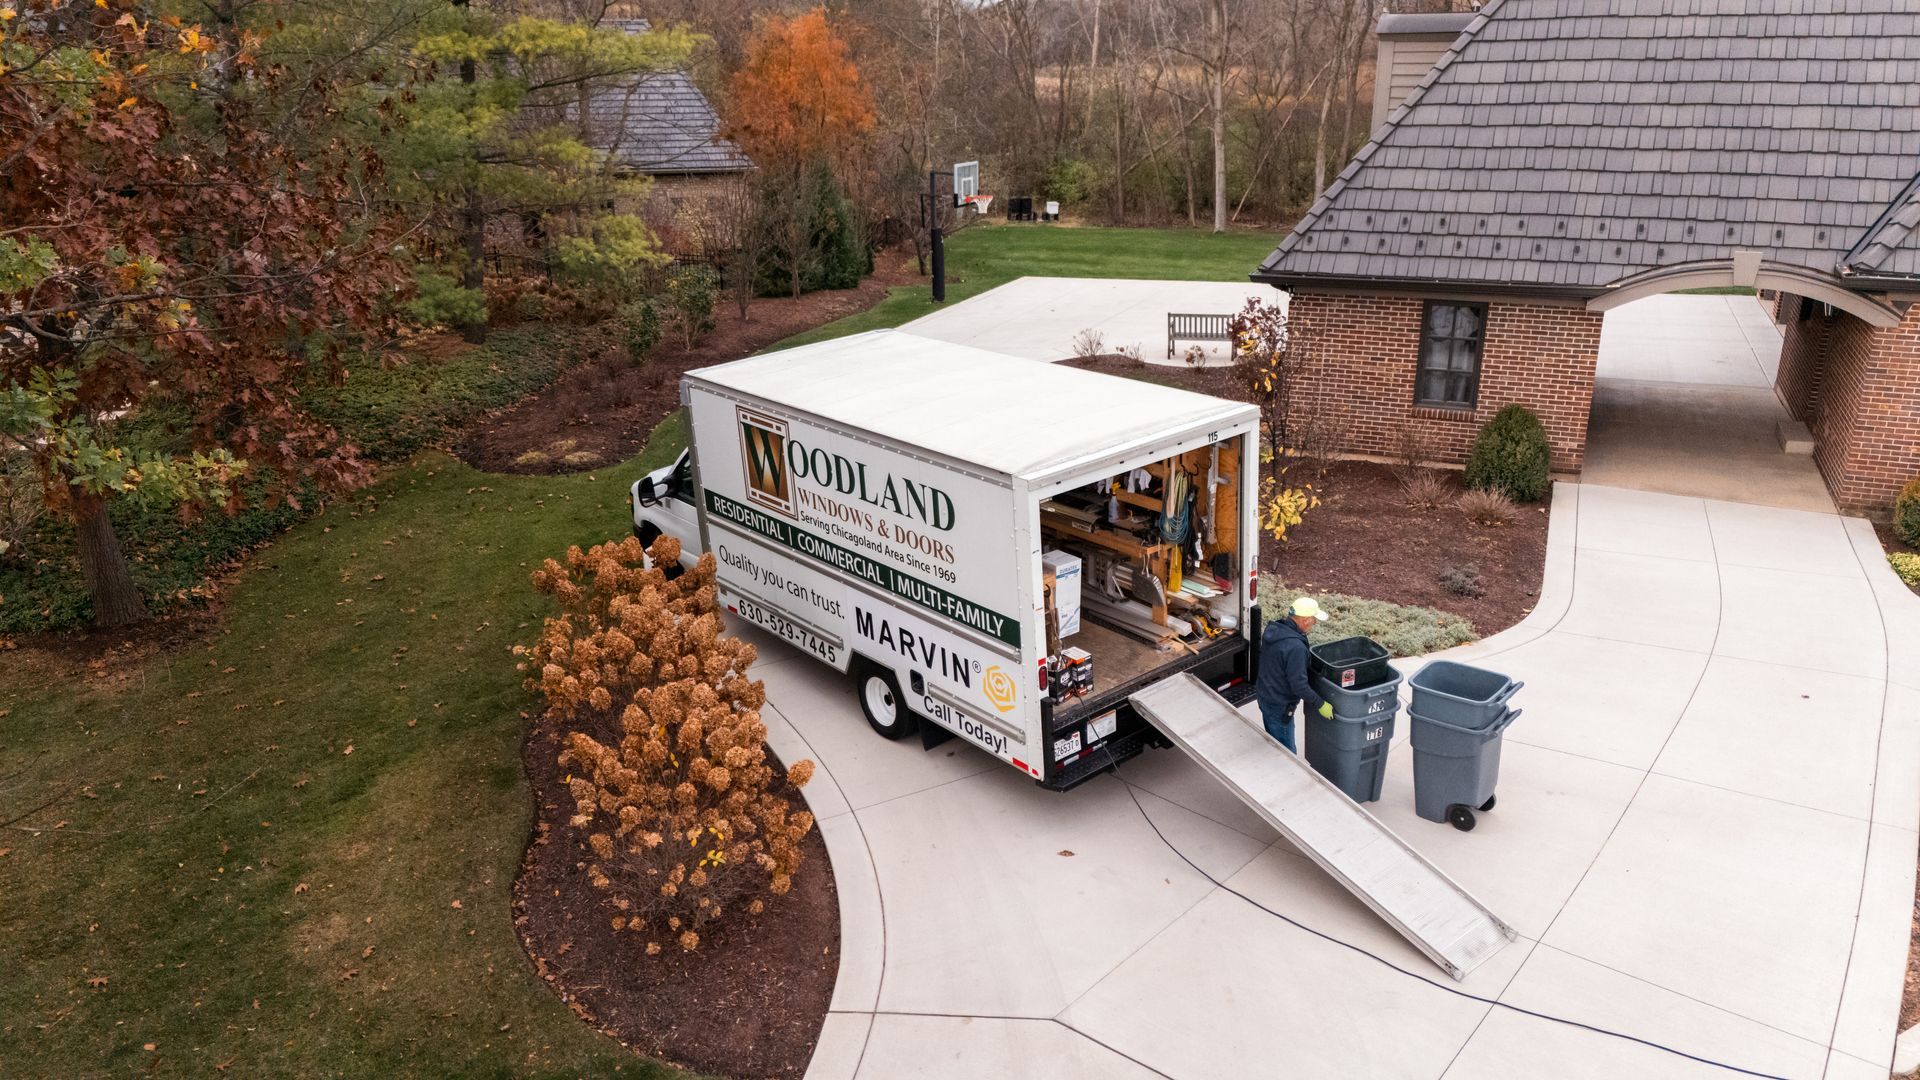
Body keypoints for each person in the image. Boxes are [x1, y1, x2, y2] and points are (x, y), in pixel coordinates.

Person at [1257, 597, 1333, 752]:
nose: (1314, 623)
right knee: (1287, 752)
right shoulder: (1295, 647)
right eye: (1314, 619)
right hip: (1280, 705)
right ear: (1305, 620)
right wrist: (1320, 703)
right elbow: (1299, 686)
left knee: (1274, 740)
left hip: (1265, 694)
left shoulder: (1275, 630)